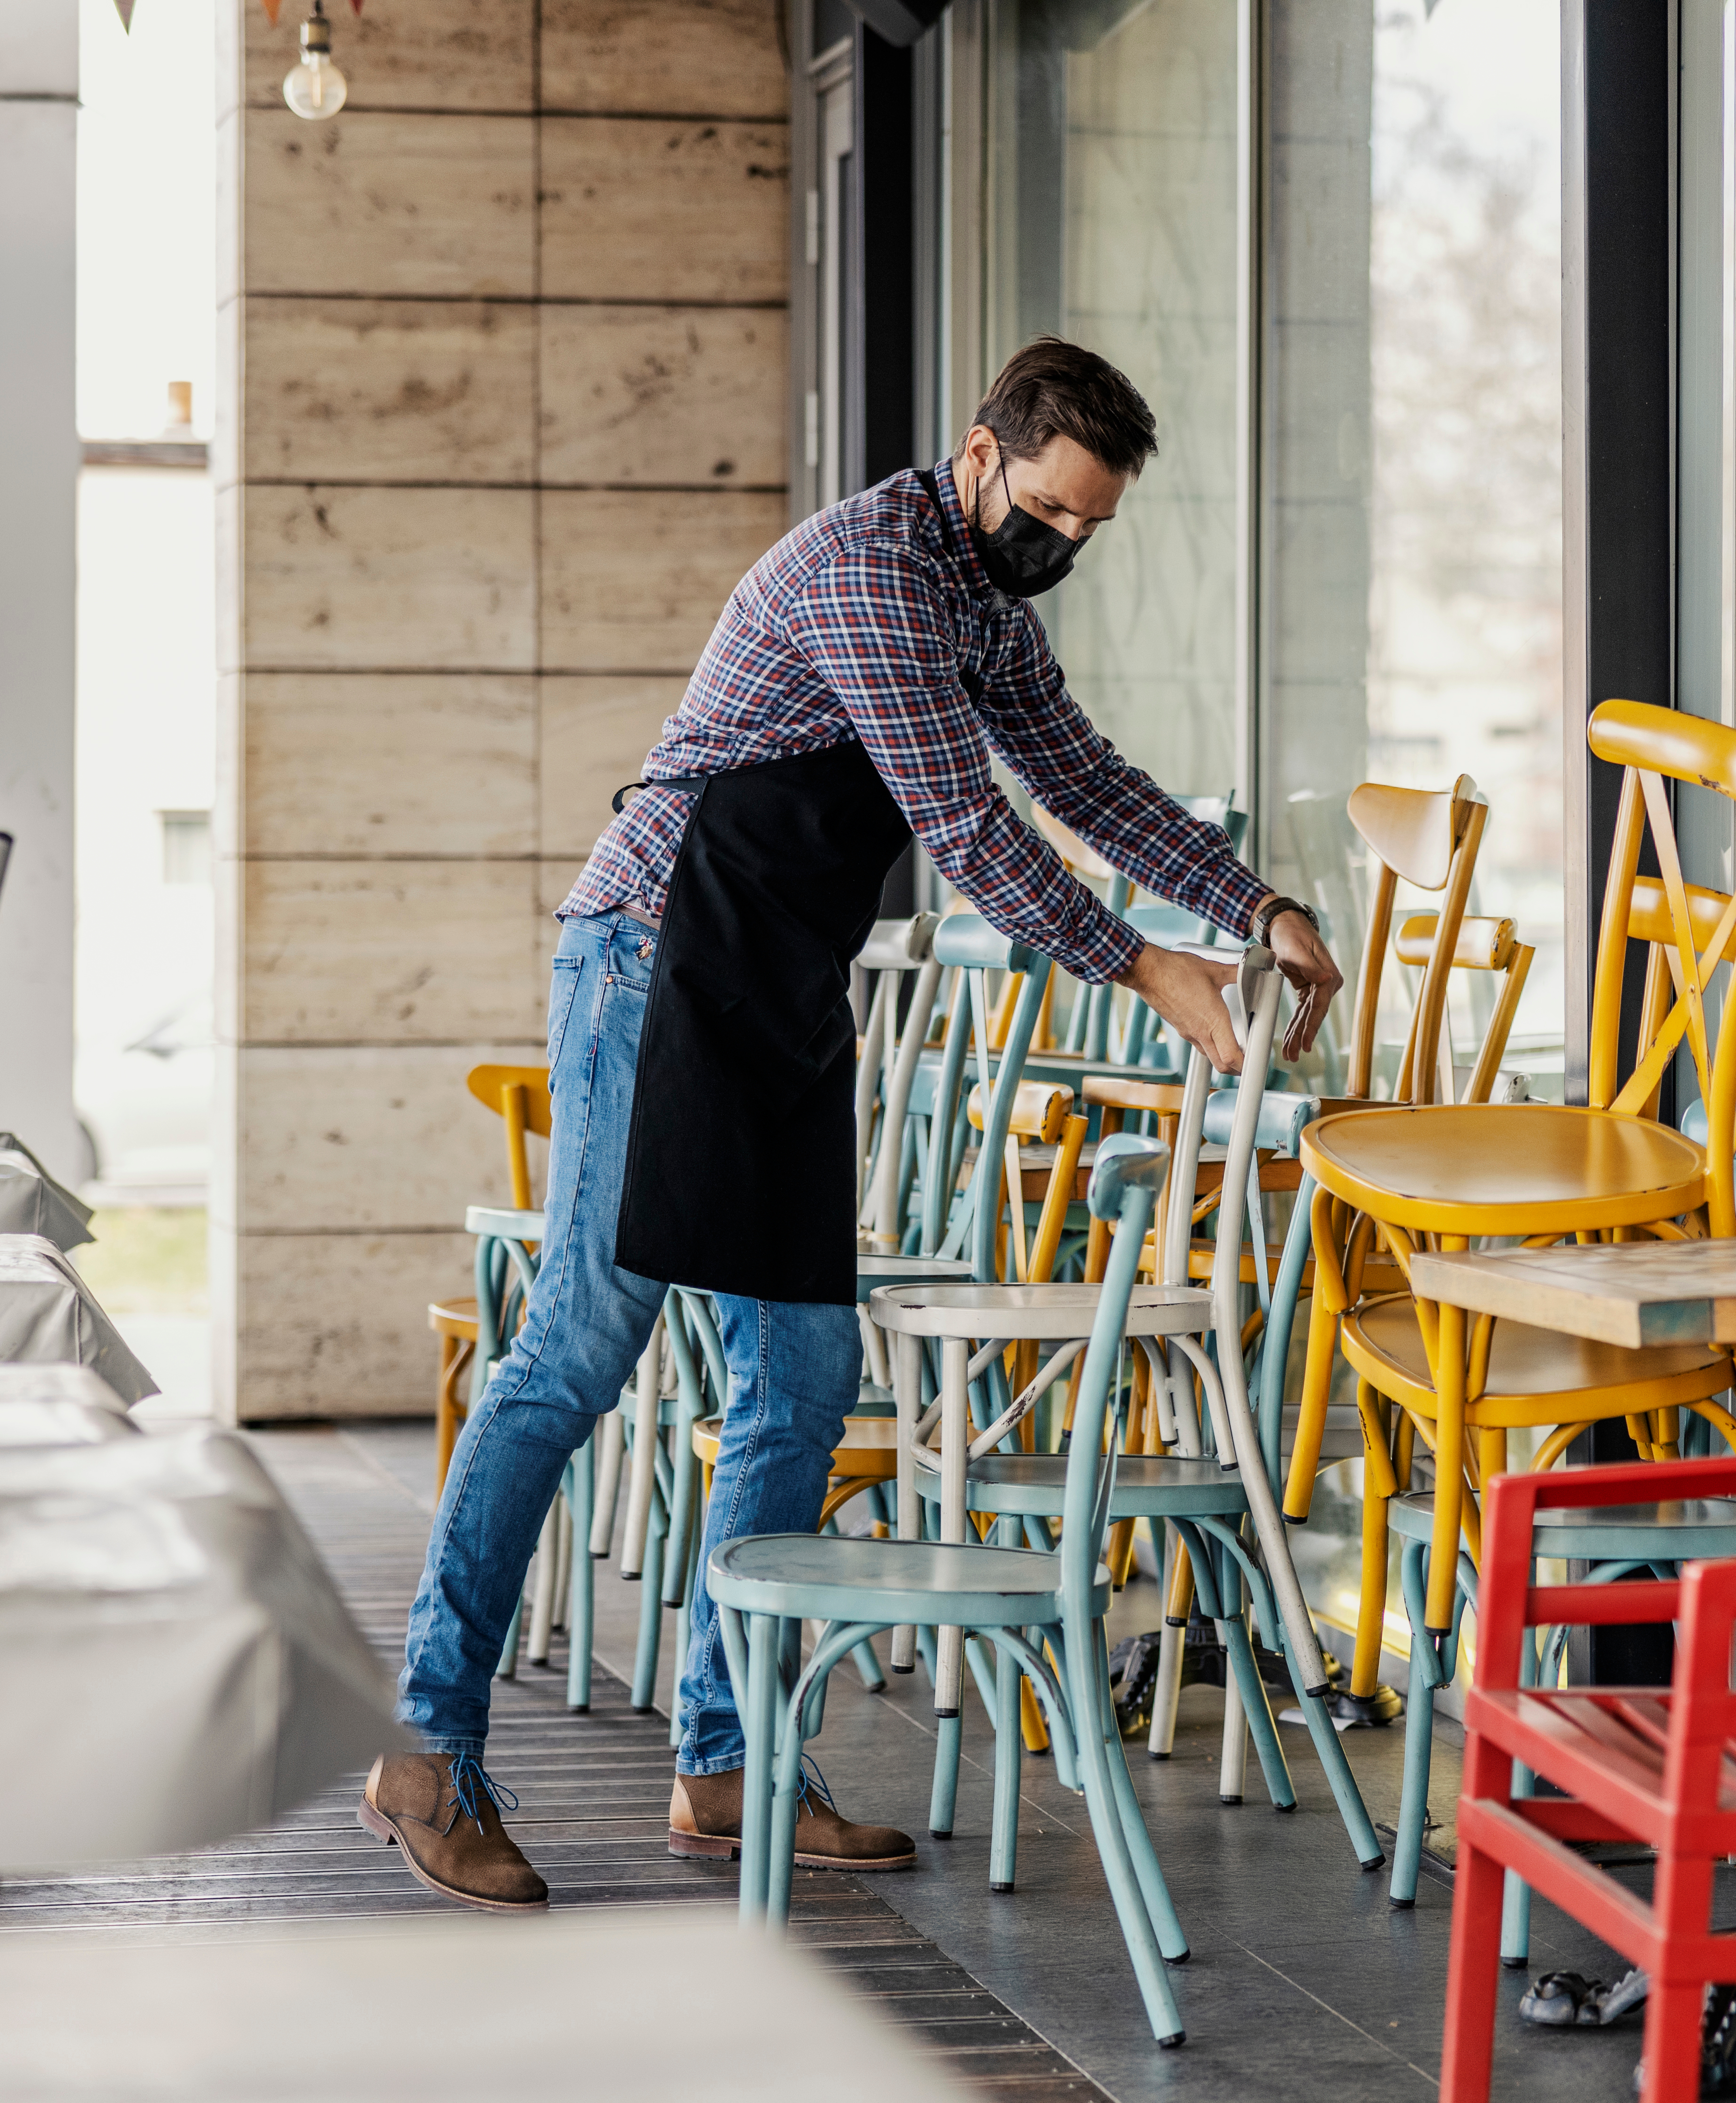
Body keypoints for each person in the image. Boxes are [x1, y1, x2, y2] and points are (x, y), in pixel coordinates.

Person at [357, 338, 1346, 1911]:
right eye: (1047, 510)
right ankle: (425, 1748)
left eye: (1091, 530)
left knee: (800, 1382)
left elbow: (1078, 777)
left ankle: (729, 1756)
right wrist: (1154, 964)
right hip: (658, 958)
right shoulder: (872, 568)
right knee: (577, 1353)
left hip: (783, 987)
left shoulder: (983, 601)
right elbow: (963, 828)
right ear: (979, 454)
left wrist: (1258, 901)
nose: (1061, 546)